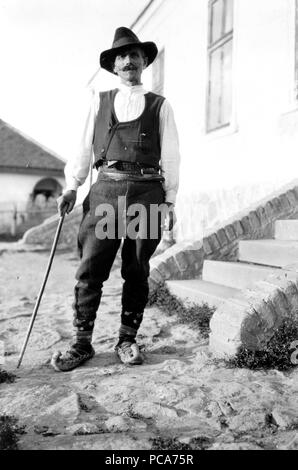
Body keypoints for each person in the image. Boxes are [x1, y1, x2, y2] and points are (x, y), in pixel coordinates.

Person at [51, 27, 180, 372]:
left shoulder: (160, 106)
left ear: (144, 62)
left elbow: (171, 158)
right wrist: (72, 186)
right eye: (121, 57)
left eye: (134, 55)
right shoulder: (100, 100)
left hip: (148, 194)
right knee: (92, 267)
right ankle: (82, 343)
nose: (128, 61)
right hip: (106, 190)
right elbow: (81, 146)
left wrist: (169, 201)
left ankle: (126, 339)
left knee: (136, 269)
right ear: (113, 65)